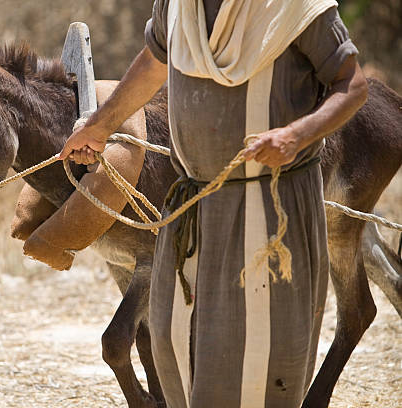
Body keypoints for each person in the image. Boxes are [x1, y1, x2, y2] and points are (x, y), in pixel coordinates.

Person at [59, 1, 367, 407]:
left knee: (265, 358)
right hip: (193, 204)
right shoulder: (178, 5)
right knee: (174, 345)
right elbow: (154, 62)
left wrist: (296, 135)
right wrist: (101, 126)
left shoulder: (295, 7)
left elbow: (353, 85)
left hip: (273, 208)